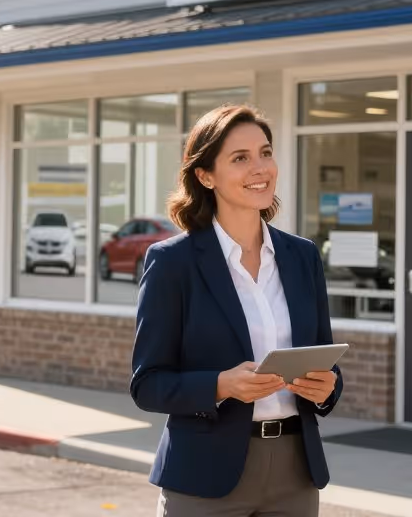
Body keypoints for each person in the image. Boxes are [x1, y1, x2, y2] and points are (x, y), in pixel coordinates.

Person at [130, 104, 343, 516]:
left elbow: (324, 361)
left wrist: (327, 388)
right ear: (205, 175)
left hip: (295, 473)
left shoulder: (302, 257)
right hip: (204, 475)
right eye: (240, 158)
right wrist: (221, 385)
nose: (260, 168)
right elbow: (147, 384)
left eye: (265, 153)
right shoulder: (173, 263)